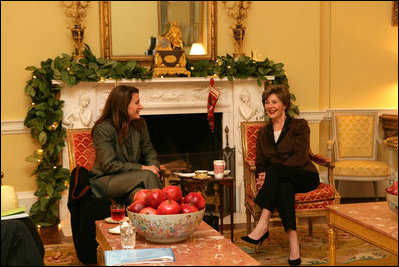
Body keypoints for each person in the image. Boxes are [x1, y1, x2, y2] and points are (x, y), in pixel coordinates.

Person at [241, 84, 320, 266]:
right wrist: (263, 175)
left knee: (275, 171)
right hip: (281, 181)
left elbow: (301, 158)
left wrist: (269, 174)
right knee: (283, 186)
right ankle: (294, 246)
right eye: (267, 102)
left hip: (304, 176)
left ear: (285, 104)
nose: (270, 106)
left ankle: (262, 224)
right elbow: (261, 164)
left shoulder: (300, 126)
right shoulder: (263, 133)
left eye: (274, 102)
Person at [89, 85, 163, 204]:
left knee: (140, 195)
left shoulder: (140, 124)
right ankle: (168, 214)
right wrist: (143, 168)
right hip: (105, 181)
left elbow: (149, 152)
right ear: (123, 105)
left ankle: (149, 221)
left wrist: (154, 167)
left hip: (132, 178)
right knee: (147, 176)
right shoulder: (102, 128)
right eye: (137, 103)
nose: (141, 107)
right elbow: (109, 165)